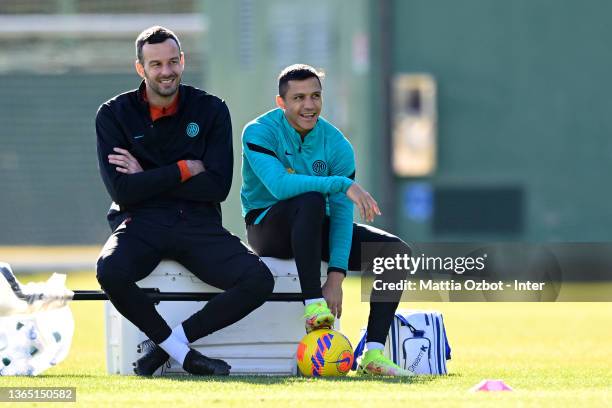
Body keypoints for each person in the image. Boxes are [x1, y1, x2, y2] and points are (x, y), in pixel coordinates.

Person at [95, 26, 274, 376]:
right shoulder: (113, 114)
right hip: (142, 221)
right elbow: (122, 192)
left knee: (259, 280)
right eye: (156, 64)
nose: (166, 71)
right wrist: (183, 169)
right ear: (140, 68)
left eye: (173, 62)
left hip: (197, 222)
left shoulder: (211, 109)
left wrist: (145, 173)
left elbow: (217, 186)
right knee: (109, 269)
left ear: (183, 61)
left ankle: (170, 345)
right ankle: (185, 355)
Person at [241, 64, 413, 376]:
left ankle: (374, 354)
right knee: (309, 199)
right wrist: (340, 183)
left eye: (316, 96)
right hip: (267, 227)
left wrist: (336, 277)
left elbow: (342, 215)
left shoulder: (337, 145)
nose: (309, 105)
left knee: (396, 253)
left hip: (315, 223)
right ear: (281, 103)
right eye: (298, 98)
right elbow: (279, 186)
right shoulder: (258, 132)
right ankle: (313, 306)